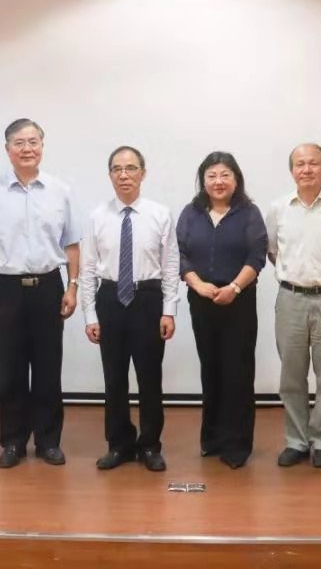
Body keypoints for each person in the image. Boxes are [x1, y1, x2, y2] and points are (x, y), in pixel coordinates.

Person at [0, 118, 81, 468]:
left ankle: (48, 441)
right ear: (8, 149)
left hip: (49, 286)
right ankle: (13, 441)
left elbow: (72, 243)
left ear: (42, 146)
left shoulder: (60, 190)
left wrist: (73, 286)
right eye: (19, 142)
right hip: (8, 289)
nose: (26, 148)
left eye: (33, 142)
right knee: (10, 368)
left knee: (48, 367)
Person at [80, 146, 178, 472]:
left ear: (143, 173)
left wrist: (169, 310)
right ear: (110, 175)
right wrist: (90, 315)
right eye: (117, 169)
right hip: (110, 299)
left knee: (150, 378)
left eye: (131, 168)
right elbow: (88, 268)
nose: (124, 175)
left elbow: (170, 266)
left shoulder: (160, 214)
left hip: (148, 298)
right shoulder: (97, 216)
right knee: (114, 379)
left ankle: (149, 445)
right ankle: (119, 444)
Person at [266, 143, 321, 469]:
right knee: (291, 375)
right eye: (300, 164)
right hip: (290, 298)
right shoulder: (278, 208)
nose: (306, 169)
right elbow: (272, 251)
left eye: (313, 163)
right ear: (292, 170)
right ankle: (296, 440)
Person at [176, 152, 268, 469]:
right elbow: (179, 254)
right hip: (201, 299)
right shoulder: (191, 213)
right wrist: (198, 285)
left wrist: (235, 288)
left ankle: (237, 444)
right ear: (203, 180)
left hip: (239, 300)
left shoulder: (249, 213)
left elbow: (257, 255)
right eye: (212, 175)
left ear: (236, 179)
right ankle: (212, 439)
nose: (218, 181)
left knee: (238, 371)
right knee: (211, 368)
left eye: (225, 174)